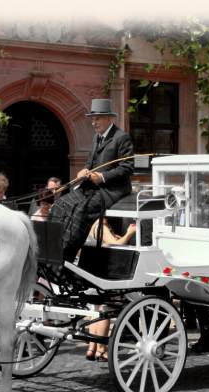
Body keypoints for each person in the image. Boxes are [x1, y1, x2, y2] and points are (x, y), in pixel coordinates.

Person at [49, 98, 134, 263]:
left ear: (109, 118)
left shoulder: (121, 137)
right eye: (92, 119)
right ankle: (53, 247)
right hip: (92, 187)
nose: (94, 123)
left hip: (113, 189)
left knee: (82, 210)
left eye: (97, 119)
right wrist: (84, 170)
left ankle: (68, 253)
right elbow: (91, 162)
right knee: (61, 203)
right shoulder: (97, 137)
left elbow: (127, 168)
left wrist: (102, 177)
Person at [83, 218, 136, 361]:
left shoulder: (91, 223)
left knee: (95, 311)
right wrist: (129, 233)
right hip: (101, 271)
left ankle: (92, 348)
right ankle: (101, 349)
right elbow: (116, 244)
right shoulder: (100, 224)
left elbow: (105, 242)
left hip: (90, 269)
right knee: (104, 310)